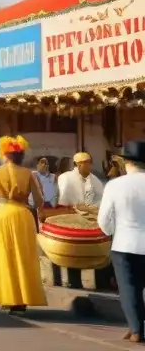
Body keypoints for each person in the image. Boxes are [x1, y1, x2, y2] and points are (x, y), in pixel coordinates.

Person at [0, 135, 46, 313]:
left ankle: (8, 298)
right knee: (23, 257)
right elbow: (39, 200)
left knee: (4, 257)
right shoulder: (28, 173)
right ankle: (22, 299)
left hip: (1, 215)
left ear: (5, 154)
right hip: (22, 215)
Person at [98, 141, 145, 342]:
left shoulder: (115, 185)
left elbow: (104, 220)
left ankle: (136, 329)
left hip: (124, 244)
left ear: (126, 162)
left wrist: (112, 232)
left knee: (128, 288)